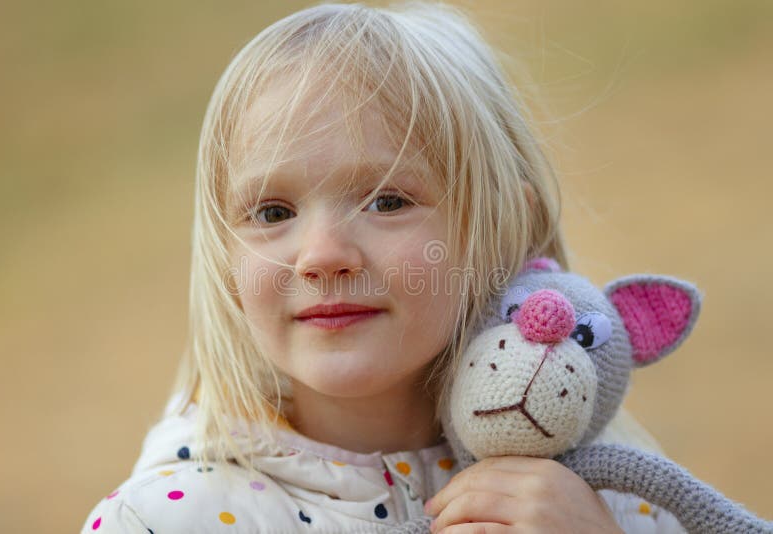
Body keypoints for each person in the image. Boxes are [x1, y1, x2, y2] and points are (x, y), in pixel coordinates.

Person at [81, 3, 686, 532]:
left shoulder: (612, 501)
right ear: (226, 256)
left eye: (388, 202)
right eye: (272, 210)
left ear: (505, 231)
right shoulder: (167, 520)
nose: (322, 256)